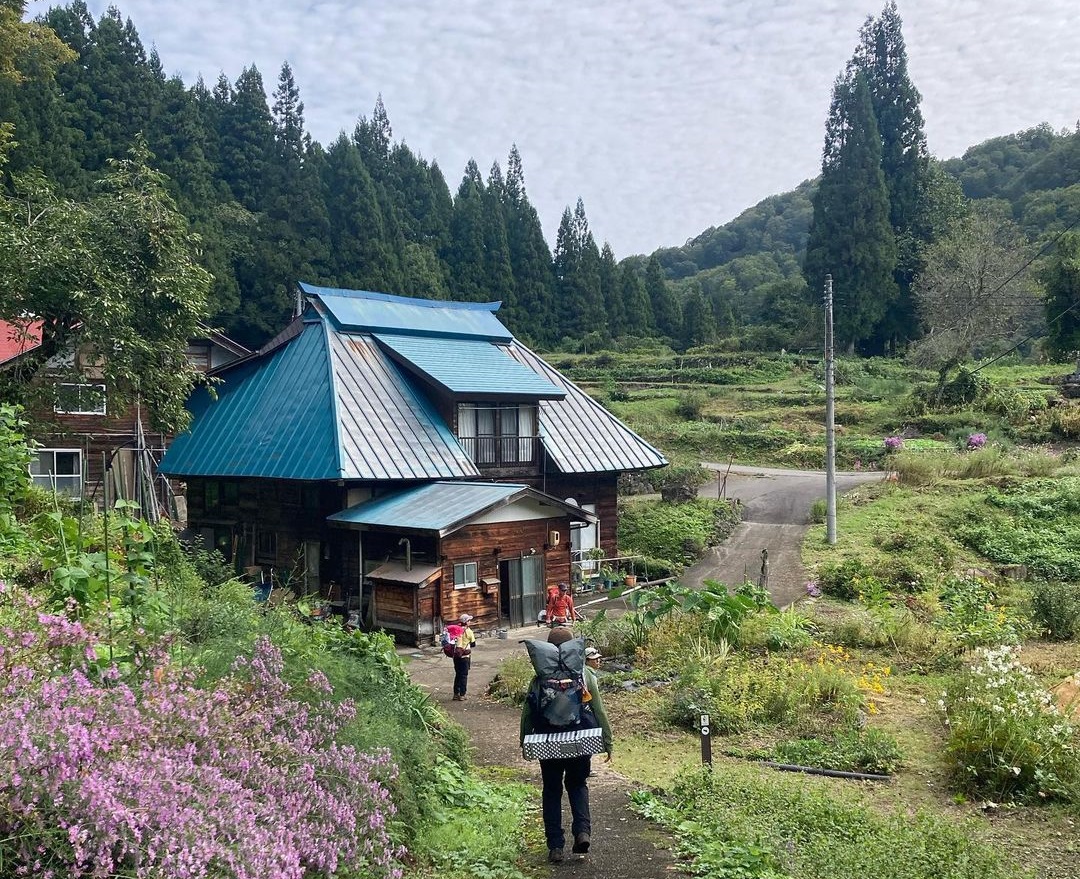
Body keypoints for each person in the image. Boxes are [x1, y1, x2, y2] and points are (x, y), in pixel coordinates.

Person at [520, 627, 612, 864]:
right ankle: (582, 832)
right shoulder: (584, 674)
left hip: (547, 742)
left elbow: (528, 712)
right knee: (577, 784)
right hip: (579, 740)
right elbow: (599, 710)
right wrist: (607, 741)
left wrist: (524, 740)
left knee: (551, 790)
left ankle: (555, 846)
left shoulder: (540, 676)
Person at [451, 613, 476, 701]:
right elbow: (473, 644)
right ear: (466, 622)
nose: (470, 622)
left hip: (456, 655)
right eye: (469, 620)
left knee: (458, 674)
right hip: (465, 656)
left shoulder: (456, 630)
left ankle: (455, 694)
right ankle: (462, 694)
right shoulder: (469, 631)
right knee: (464, 675)